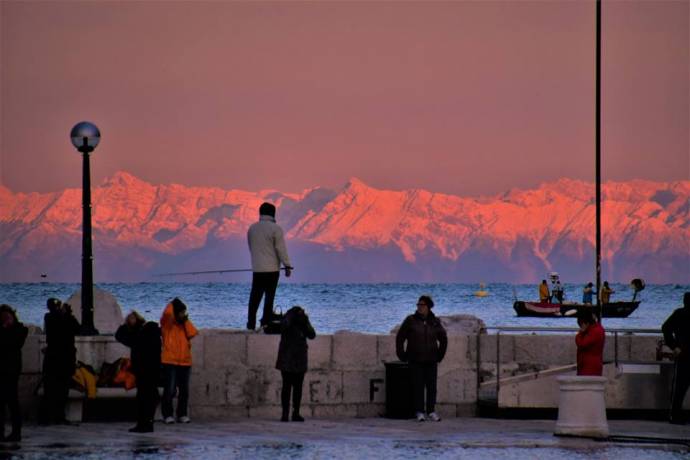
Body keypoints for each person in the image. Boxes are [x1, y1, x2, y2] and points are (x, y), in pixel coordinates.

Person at [396, 295, 448, 422]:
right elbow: (400, 337)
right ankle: (419, 412)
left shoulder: (435, 321)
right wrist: (402, 354)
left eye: (422, 305)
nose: (419, 307)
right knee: (418, 386)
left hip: (431, 359)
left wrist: (439, 356)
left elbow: (443, 339)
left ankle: (431, 411)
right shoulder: (410, 320)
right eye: (418, 305)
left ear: (428, 307)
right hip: (415, 359)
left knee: (431, 387)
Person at [246, 202, 293, 330]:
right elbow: (280, 249)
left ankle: (250, 325)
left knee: (254, 298)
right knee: (269, 298)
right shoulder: (276, 229)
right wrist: (287, 266)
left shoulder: (252, 228)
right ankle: (265, 324)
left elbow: (251, 248)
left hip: (257, 269)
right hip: (272, 270)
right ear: (273, 214)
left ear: (260, 213)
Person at [116, 311, 162, 433]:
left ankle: (144, 424)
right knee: (147, 398)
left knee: (144, 398)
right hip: (151, 371)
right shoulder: (151, 332)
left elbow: (120, 335)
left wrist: (125, 326)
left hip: (145, 371)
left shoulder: (139, 335)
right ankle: (147, 424)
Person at [40, 298, 80, 425]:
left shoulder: (65, 318)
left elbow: (77, 329)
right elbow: (56, 324)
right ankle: (47, 417)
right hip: (55, 358)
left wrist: (68, 315)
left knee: (62, 390)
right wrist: (66, 314)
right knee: (50, 388)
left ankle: (59, 416)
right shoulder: (50, 317)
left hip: (64, 358)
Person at [275, 306, 316, 422]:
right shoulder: (292, 320)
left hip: (291, 359)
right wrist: (302, 322)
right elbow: (312, 334)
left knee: (289, 387)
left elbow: (312, 334)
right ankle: (292, 413)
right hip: (293, 359)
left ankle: (288, 414)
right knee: (293, 388)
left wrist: (303, 322)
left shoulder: (292, 320)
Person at [160, 298, 197, 424]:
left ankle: (182, 414)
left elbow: (192, 333)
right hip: (170, 361)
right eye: (181, 312)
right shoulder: (167, 324)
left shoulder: (184, 324)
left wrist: (185, 321)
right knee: (169, 390)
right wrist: (172, 304)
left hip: (185, 361)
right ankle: (167, 414)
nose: (183, 314)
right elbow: (167, 314)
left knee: (184, 391)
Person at [0, 305, 28, 442]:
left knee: (12, 402)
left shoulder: (19, 330)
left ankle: (16, 432)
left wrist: (6, 328)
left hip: (11, 371)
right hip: (3, 370)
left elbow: (12, 343)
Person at [662, 292, 690, 425]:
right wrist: (675, 346)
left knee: (679, 387)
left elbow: (666, 327)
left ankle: (675, 415)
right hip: (684, 355)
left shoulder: (679, 313)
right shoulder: (680, 314)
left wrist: (674, 346)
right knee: (680, 387)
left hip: (683, 354)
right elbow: (666, 327)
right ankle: (675, 415)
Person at [575, 309, 605, 376]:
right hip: (591, 365)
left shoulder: (594, 331)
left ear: (585, 323)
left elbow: (581, 344)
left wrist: (580, 333)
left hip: (589, 367)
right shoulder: (598, 329)